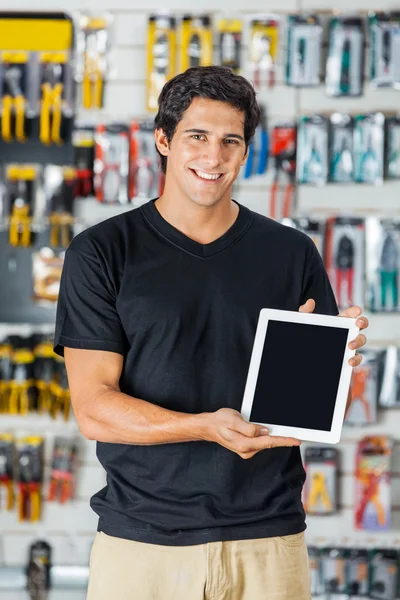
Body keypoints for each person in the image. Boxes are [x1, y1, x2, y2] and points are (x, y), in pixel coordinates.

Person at [54, 66, 368, 600]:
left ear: (246, 152)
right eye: (196, 136)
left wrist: (338, 368)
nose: (213, 157)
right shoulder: (102, 252)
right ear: (163, 140)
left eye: (231, 141)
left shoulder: (291, 254)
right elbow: (93, 408)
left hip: (269, 542)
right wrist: (205, 426)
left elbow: (321, 414)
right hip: (142, 547)